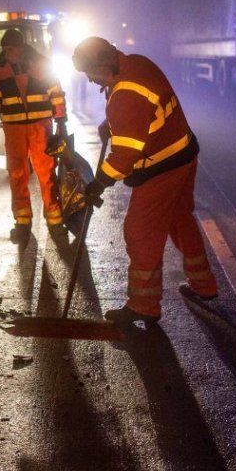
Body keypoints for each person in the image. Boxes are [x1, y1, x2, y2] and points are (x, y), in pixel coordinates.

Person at [72, 36, 218, 324]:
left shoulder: (125, 94)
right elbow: (143, 113)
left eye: (90, 73)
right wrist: (110, 126)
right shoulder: (136, 63)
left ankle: (144, 304)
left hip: (161, 166)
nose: (89, 80)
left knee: (140, 232)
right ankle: (204, 285)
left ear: (103, 64)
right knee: (179, 219)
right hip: (183, 153)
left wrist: (98, 183)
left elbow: (124, 158)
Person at [0, 29, 69, 242]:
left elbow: (56, 93)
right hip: (14, 129)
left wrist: (61, 121)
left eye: (10, 48)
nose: (7, 52)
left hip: (40, 126)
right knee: (16, 174)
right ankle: (22, 221)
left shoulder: (41, 65)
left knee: (46, 173)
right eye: (5, 49)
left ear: (21, 48)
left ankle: (54, 220)